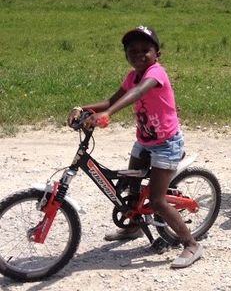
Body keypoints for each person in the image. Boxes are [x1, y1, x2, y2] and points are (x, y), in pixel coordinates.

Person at [67, 25, 202, 269]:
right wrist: (85, 108)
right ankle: (133, 228)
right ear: (126, 55)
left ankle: (191, 244)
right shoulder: (131, 76)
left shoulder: (156, 73)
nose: (139, 55)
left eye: (145, 50)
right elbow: (112, 100)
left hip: (166, 144)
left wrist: (107, 113)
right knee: (130, 189)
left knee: (159, 201)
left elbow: (139, 92)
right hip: (145, 141)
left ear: (157, 54)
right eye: (132, 51)